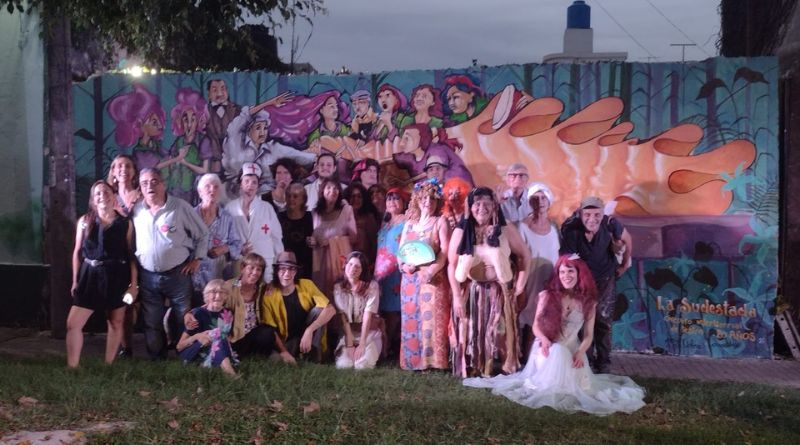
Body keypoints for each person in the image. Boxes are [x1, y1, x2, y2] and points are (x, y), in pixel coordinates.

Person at [463, 255, 645, 415]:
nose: (566, 276)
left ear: (579, 274)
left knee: (580, 383)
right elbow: (536, 326)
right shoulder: (546, 295)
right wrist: (543, 339)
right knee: (558, 352)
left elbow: (588, 335)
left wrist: (580, 352)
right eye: (562, 272)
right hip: (547, 348)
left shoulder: (588, 302)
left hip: (573, 349)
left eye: (570, 271)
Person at [448, 187, 530, 377]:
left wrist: (520, 285)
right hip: (472, 290)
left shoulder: (506, 228)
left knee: (500, 330)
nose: (482, 208)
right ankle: (474, 365)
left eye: (487, 204)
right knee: (471, 329)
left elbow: (525, 255)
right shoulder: (461, 231)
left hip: (499, 290)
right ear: (470, 207)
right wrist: (457, 297)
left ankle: (504, 365)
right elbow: (452, 266)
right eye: (477, 204)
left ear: (494, 206)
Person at [132, 168, 209, 360]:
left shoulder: (180, 207)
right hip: (147, 276)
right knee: (151, 321)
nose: (149, 186)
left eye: (154, 181)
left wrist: (197, 259)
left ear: (163, 184)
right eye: (144, 183)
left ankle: (186, 356)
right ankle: (158, 359)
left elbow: (203, 234)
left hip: (178, 274)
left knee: (184, 318)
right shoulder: (137, 210)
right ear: (140, 187)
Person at [66, 181, 137, 368]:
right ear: (93, 199)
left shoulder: (125, 224)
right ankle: (72, 367)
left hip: (116, 275)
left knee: (115, 322)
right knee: (73, 324)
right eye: (97, 193)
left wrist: (133, 285)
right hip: (89, 275)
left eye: (106, 192)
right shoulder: (85, 221)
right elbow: (77, 252)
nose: (102, 195)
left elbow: (130, 255)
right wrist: (75, 281)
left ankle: (108, 365)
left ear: (114, 196)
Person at [560, 196, 633, 374]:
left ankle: (603, 363)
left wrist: (625, 264)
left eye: (596, 214)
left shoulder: (610, 223)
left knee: (603, 319)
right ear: (580, 214)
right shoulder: (570, 228)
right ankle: (584, 360)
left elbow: (627, 239)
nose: (591, 219)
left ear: (602, 214)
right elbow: (567, 261)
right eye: (587, 214)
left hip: (605, 278)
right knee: (581, 319)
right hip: (582, 281)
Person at [397, 178, 451, 371]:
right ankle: (412, 361)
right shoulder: (409, 224)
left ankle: (433, 362)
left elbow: (445, 251)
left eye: (432, 198)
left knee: (431, 321)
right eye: (424, 198)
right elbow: (401, 251)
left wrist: (432, 270)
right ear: (417, 200)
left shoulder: (440, 222)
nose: (428, 202)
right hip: (410, 280)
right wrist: (403, 266)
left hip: (432, 278)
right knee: (411, 318)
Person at [221, 93, 315, 193]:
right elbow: (244, 116)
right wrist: (269, 103)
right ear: (248, 130)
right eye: (258, 128)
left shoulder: (273, 148)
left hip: (265, 197)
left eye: (265, 128)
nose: (262, 132)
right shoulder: (236, 142)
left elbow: (302, 157)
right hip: (234, 195)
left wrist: (316, 157)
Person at [261, 251, 336, 361]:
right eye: (282, 268)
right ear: (276, 271)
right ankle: (293, 355)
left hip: (309, 337)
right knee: (274, 359)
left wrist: (309, 330)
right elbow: (270, 329)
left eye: (291, 269)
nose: (287, 273)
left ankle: (314, 356)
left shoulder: (306, 285)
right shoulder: (269, 294)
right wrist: (284, 351)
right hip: (288, 341)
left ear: (296, 271)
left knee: (319, 310)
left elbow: (331, 309)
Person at [518, 183, 560, 356]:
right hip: (531, 279)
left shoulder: (554, 227)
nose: (540, 202)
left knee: (545, 317)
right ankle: (526, 359)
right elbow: (519, 256)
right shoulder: (523, 226)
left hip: (550, 280)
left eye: (543, 198)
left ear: (549, 202)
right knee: (529, 317)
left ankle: (541, 358)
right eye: (535, 198)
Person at [106, 154, 141, 358]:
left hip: (140, 255)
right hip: (117, 257)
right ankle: (123, 347)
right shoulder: (107, 196)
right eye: (118, 166)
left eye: (128, 166)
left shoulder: (142, 194)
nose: (123, 169)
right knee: (120, 303)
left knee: (135, 303)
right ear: (113, 171)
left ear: (134, 171)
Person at [226, 162, 284, 281]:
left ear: (258, 186)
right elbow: (225, 237)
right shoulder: (230, 208)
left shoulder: (267, 207)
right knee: (238, 288)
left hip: (264, 261)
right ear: (240, 183)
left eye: (254, 182)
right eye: (246, 181)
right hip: (240, 262)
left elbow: (277, 237)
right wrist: (238, 249)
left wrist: (279, 262)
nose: (250, 186)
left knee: (264, 289)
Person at [192, 173, 242, 305]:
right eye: (207, 187)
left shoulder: (227, 218)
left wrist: (225, 248)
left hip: (215, 285)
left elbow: (237, 245)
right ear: (200, 192)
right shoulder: (189, 215)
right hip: (190, 281)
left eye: (216, 187)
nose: (212, 190)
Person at [374, 187, 407, 361]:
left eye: (396, 199)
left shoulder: (408, 220)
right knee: (382, 309)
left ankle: (393, 346)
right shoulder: (385, 223)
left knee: (394, 309)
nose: (392, 202)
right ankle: (384, 344)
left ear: (403, 202)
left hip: (396, 270)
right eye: (389, 199)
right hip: (381, 271)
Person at [176, 279, 237, 376]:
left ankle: (223, 366)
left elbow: (226, 337)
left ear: (226, 296)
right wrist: (197, 336)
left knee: (219, 337)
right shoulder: (197, 314)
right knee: (217, 335)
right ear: (207, 295)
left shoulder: (228, 313)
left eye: (222, 292)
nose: (218, 296)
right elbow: (179, 347)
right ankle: (231, 375)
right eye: (214, 292)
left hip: (216, 350)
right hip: (195, 352)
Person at [333, 251, 382, 369]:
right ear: (345, 265)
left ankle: (371, 348)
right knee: (344, 365)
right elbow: (343, 316)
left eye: (357, 267)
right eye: (350, 264)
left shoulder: (372, 286)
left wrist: (362, 343)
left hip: (369, 333)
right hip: (348, 333)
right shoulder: (338, 287)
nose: (353, 269)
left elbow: (367, 315)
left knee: (362, 366)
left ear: (362, 270)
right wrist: (350, 344)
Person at [310, 178, 357, 299]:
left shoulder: (346, 210)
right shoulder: (315, 213)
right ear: (322, 191)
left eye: (336, 188)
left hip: (339, 262)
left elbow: (353, 238)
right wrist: (312, 241)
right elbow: (313, 236)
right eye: (329, 187)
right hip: (320, 263)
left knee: (339, 295)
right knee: (321, 296)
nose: (333, 191)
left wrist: (331, 241)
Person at [107, 84, 169, 171]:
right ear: (140, 124)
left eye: (159, 121)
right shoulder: (139, 152)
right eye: (154, 122)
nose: (160, 125)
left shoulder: (156, 145)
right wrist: (175, 159)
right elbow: (151, 169)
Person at [166, 87, 212, 203]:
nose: (189, 125)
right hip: (175, 190)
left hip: (194, 192)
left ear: (198, 121)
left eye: (193, 120)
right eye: (186, 120)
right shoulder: (178, 142)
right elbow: (170, 164)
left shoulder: (203, 141)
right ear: (180, 121)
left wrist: (185, 163)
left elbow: (205, 170)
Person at [392, 123, 474, 186]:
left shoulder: (436, 151)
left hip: (457, 188)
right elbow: (397, 157)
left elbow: (437, 175)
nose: (402, 143)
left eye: (407, 138)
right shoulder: (412, 156)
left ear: (422, 138)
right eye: (403, 138)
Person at [278, 183, 314, 279]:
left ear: (303, 199)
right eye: (288, 196)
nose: (291, 199)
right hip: (284, 265)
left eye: (295, 196)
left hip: (305, 266)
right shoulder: (279, 217)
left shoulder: (311, 217)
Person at [205, 79, 241, 175]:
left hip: (234, 161)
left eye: (222, 89)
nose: (219, 93)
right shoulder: (203, 112)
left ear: (227, 91)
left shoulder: (238, 110)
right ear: (209, 94)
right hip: (212, 162)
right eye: (215, 90)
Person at [343, 182, 380, 265]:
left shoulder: (368, 218)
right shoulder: (342, 218)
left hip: (363, 262)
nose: (356, 199)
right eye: (353, 196)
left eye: (359, 196)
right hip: (344, 260)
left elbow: (374, 243)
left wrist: (372, 263)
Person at [499, 163, 531, 228]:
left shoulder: (533, 197)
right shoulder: (501, 198)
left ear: (527, 179)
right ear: (507, 180)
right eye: (513, 175)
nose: (517, 178)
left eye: (521, 175)